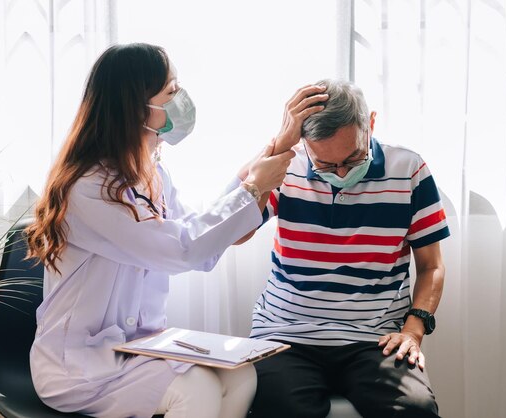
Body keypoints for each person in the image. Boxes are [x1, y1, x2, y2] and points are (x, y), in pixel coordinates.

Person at [24, 42, 327, 418]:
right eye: (171, 90)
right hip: (79, 365)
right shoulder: (87, 188)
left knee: (241, 374)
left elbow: (199, 239)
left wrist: (275, 151)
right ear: (136, 107)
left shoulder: (152, 174)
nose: (181, 98)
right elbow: (183, 249)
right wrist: (251, 189)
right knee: (195, 389)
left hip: (140, 349)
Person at [245, 79, 450, 418]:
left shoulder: (409, 169)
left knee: (416, 409)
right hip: (285, 334)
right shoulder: (285, 164)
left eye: (353, 157)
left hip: (374, 337)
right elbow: (236, 232)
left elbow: (432, 267)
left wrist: (413, 331)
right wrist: (279, 146)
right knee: (281, 409)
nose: (341, 172)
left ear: (369, 123)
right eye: (325, 165)